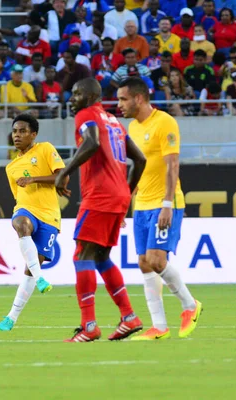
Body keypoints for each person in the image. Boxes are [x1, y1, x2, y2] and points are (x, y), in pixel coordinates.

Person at [54, 77, 147, 342]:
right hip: (117, 197)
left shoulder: (87, 114)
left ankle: (89, 326)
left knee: (81, 256)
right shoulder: (115, 121)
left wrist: (65, 173)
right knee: (101, 258)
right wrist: (126, 194)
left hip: (100, 196)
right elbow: (139, 159)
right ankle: (129, 317)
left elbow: (92, 141)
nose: (72, 99)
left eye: (75, 93)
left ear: (89, 95)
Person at [116, 76, 202, 341]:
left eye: (123, 99)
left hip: (165, 203)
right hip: (141, 204)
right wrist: (123, 204)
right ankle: (159, 326)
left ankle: (190, 305)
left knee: (156, 260)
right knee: (143, 263)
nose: (119, 104)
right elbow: (134, 168)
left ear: (139, 98)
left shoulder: (165, 122)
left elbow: (172, 165)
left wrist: (167, 204)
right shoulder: (130, 127)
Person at [0, 114, 65, 332]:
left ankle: (11, 318)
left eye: (23, 131)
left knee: (31, 267)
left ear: (33, 134)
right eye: (15, 131)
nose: (17, 135)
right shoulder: (11, 167)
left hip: (50, 215)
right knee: (21, 223)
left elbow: (62, 176)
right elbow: (19, 196)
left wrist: (34, 179)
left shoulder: (45, 149)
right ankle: (41, 278)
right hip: (26, 209)